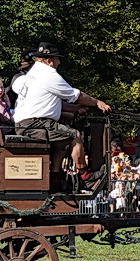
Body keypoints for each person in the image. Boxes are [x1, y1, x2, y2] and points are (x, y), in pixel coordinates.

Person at [10, 44, 110, 175]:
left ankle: (55, 177)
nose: (59, 62)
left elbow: (46, 103)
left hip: (26, 124)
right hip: (35, 124)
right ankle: (86, 176)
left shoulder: (32, 74)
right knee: (74, 135)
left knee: (62, 140)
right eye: (57, 59)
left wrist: (73, 110)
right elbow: (76, 96)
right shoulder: (48, 74)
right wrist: (97, 102)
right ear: (49, 61)